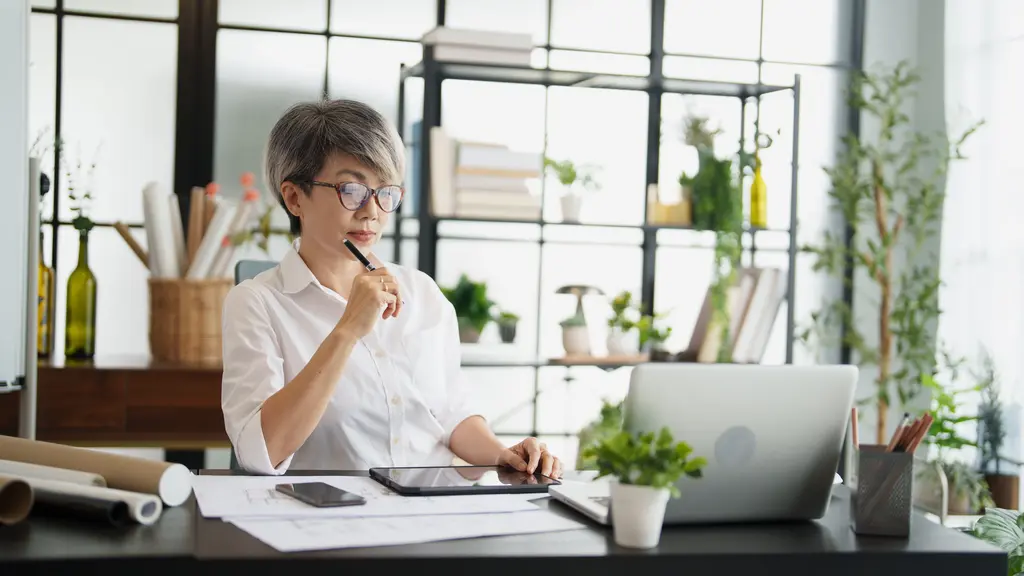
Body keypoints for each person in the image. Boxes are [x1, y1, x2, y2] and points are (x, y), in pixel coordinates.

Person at [220, 99, 563, 479]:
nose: (372, 212)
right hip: (327, 522)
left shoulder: (421, 292)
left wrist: (502, 454)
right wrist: (348, 329)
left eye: (386, 192)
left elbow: (450, 415)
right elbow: (260, 450)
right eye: (351, 190)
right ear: (294, 197)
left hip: (430, 514)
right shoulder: (256, 303)